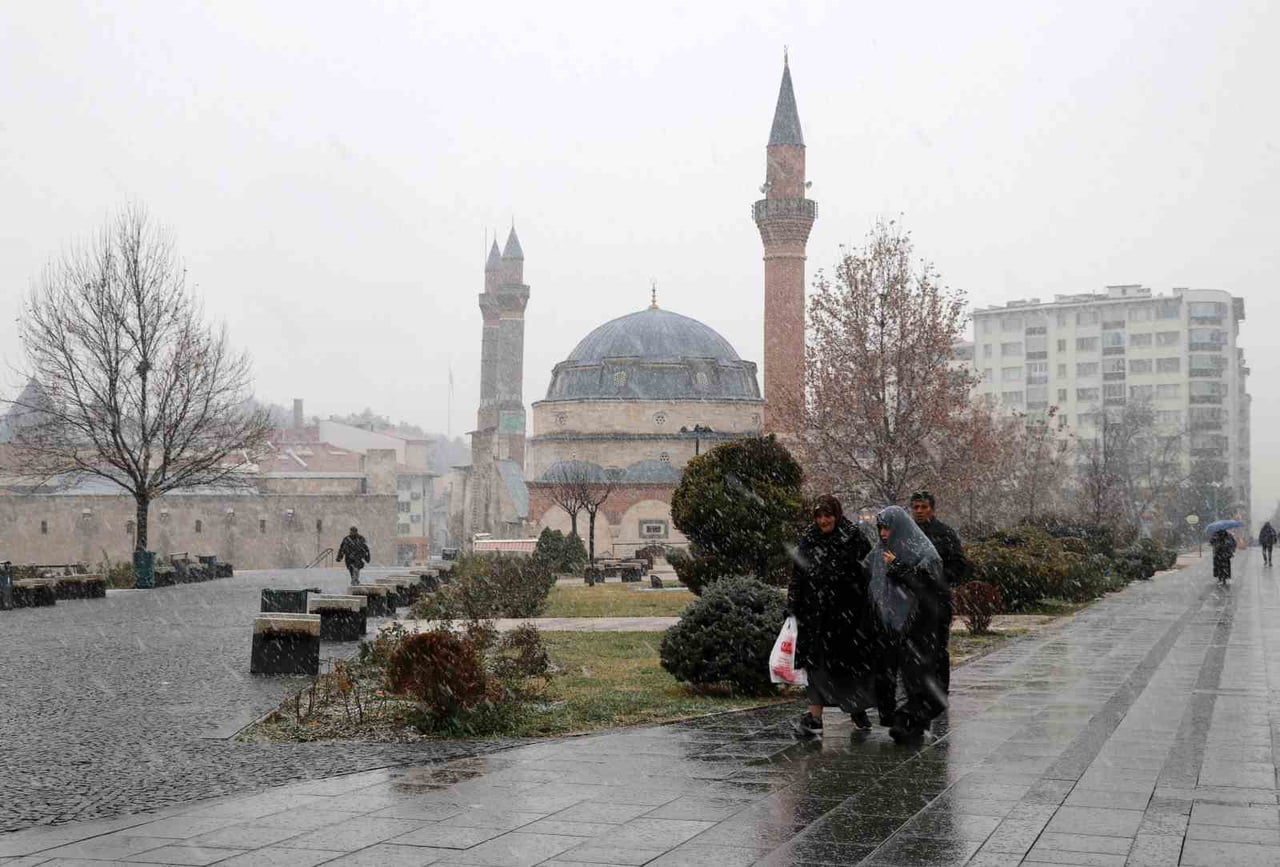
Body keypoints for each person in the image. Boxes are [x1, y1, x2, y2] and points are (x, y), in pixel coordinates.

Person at [788, 495, 875, 739]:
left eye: (828, 515)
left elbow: (868, 573)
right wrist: (793, 606)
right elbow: (798, 576)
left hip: (847, 618)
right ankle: (814, 719)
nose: (824, 520)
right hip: (815, 618)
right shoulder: (808, 539)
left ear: (836, 515)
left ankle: (856, 707)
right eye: (819, 516)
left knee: (846, 668)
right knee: (816, 667)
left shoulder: (853, 538)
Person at [869, 505, 950, 743]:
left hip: (919, 625)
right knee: (893, 674)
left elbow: (927, 584)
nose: (884, 534)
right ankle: (903, 720)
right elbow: (867, 574)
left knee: (915, 676)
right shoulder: (881, 550)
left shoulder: (923, 550)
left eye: (888, 528)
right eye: (881, 528)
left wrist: (898, 568)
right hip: (891, 625)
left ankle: (908, 720)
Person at [909, 491, 970, 693]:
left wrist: (939, 578)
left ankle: (939, 689)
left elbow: (960, 565)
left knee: (937, 646)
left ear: (932, 509)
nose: (919, 511)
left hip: (937, 599)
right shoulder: (905, 533)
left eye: (923, 507)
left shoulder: (944, 533)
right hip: (910, 600)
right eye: (915, 507)